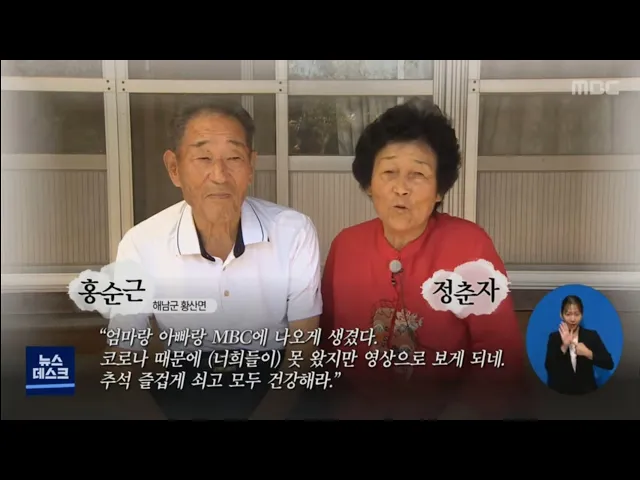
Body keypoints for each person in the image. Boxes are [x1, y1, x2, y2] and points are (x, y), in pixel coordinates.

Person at [107, 100, 322, 419]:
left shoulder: (293, 231)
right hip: (185, 384)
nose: (219, 175)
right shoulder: (142, 242)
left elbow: (302, 352)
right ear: (174, 168)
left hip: (271, 384)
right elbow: (123, 358)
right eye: (203, 158)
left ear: (251, 166)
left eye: (234, 158)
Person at [320, 99, 526, 419]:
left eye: (418, 174)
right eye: (389, 172)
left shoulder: (470, 247)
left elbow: (499, 352)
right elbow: (327, 344)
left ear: (439, 190)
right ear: (369, 184)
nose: (401, 188)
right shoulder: (346, 246)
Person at [544, 295, 614, 395]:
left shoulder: (591, 336)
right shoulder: (554, 337)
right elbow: (549, 367)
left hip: (587, 392)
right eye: (568, 314)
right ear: (561, 315)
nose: (573, 319)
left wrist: (588, 353)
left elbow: (609, 363)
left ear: (582, 314)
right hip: (562, 393)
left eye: (577, 314)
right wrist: (564, 346)